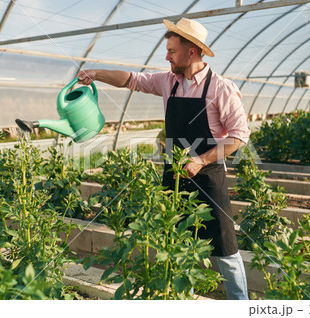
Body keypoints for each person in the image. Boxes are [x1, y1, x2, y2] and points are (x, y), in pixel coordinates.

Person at [77, 17, 251, 300]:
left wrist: (200, 160)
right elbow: (131, 80)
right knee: (179, 246)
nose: (166, 56)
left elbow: (239, 136)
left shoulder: (221, 88)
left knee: (226, 250)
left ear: (191, 52)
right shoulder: (168, 82)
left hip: (207, 179)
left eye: (171, 51)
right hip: (175, 177)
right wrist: (96, 73)